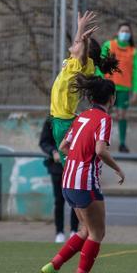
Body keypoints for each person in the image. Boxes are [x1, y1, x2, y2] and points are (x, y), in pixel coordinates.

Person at [40, 75, 125, 273]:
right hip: (84, 182)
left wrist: (78, 160)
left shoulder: (82, 116)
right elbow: (100, 150)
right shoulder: (104, 119)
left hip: (67, 180)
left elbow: (63, 146)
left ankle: (54, 265)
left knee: (85, 229)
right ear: (112, 98)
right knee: (98, 232)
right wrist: (116, 167)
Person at [50, 11, 108, 162]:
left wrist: (86, 41)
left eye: (79, 44)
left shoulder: (83, 65)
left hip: (64, 121)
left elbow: (82, 55)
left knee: (69, 165)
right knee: (68, 164)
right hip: (60, 120)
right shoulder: (72, 62)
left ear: (85, 52)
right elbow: (79, 46)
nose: (75, 43)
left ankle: (80, 181)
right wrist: (80, 27)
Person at [101, 23, 137, 152]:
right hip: (108, 86)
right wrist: (98, 82)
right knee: (105, 114)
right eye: (123, 30)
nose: (125, 33)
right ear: (117, 32)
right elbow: (100, 63)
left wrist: (136, 90)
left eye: (127, 31)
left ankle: (122, 143)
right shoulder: (109, 45)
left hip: (124, 88)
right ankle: (102, 142)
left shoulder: (132, 51)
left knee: (122, 115)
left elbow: (136, 71)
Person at [40, 117, 79, 243]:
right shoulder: (50, 121)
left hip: (73, 166)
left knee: (75, 200)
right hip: (57, 168)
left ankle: (74, 230)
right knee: (59, 200)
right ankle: (59, 231)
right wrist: (53, 152)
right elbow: (44, 142)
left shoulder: (76, 119)